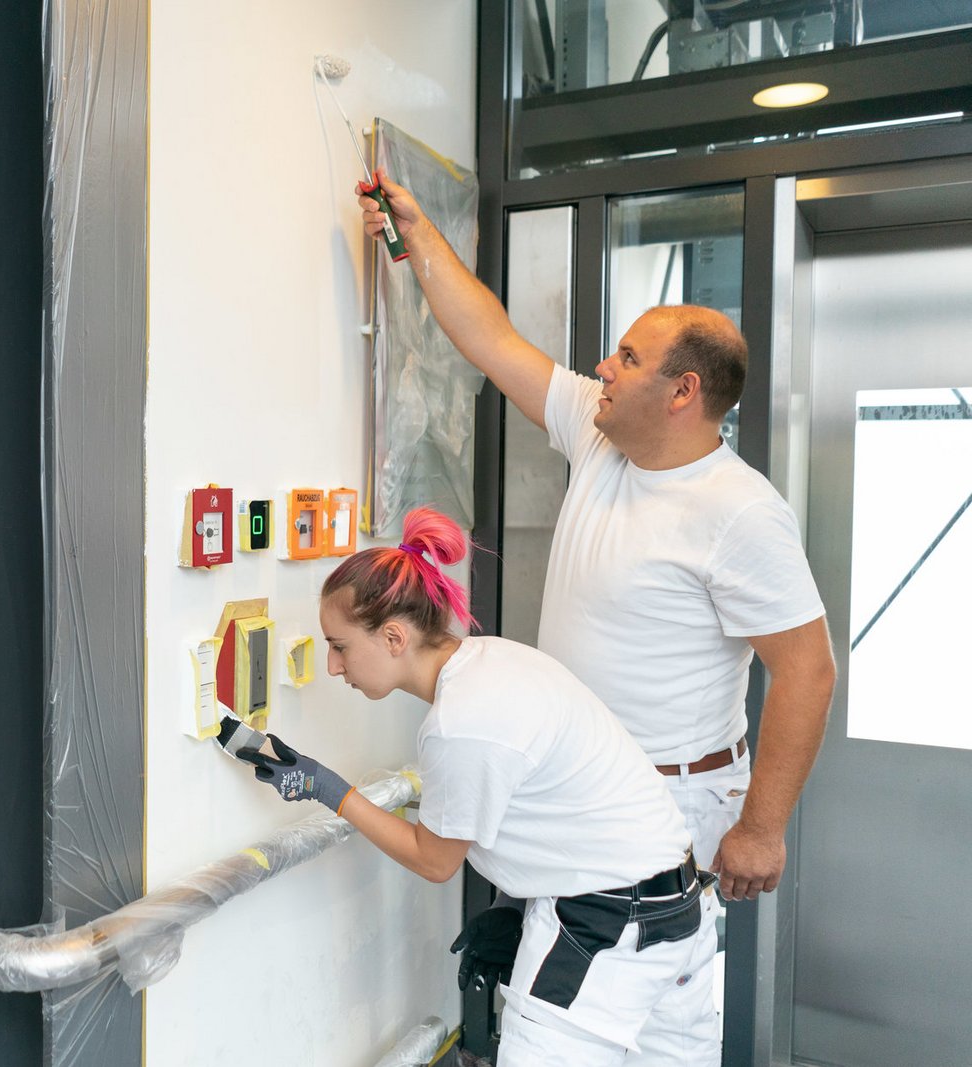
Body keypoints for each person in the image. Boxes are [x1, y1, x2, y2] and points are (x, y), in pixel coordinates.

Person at [357, 171, 836, 1021]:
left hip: (673, 799)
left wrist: (761, 828)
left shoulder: (740, 512)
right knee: (580, 1003)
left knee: (634, 1014)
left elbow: (807, 671)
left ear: (684, 393)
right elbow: (491, 339)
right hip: (579, 783)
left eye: (628, 358)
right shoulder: (599, 431)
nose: (602, 368)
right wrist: (417, 234)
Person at [238, 508, 716, 1064]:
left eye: (339, 646)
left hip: (606, 927)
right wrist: (515, 906)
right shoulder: (494, 662)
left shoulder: (462, 722)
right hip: (677, 907)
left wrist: (328, 788)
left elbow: (435, 860)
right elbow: (560, 804)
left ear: (393, 637)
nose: (333, 667)